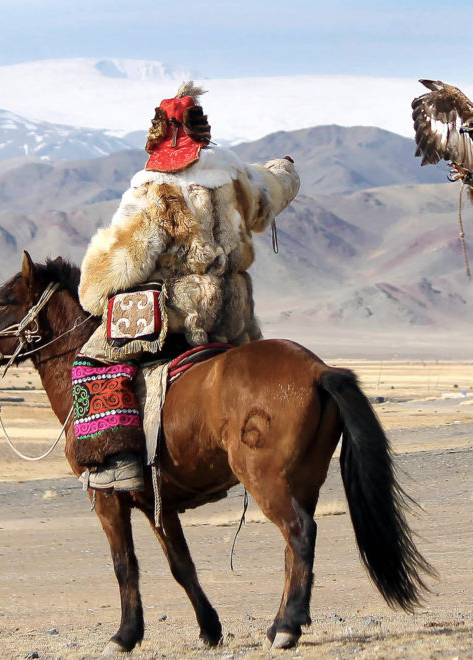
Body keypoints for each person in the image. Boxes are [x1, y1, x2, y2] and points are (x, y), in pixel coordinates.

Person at [72, 82, 300, 491]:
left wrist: (92, 290)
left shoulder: (154, 189)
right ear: (202, 131)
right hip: (234, 317)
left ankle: (119, 459)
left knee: (93, 357)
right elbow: (276, 187)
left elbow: (126, 259)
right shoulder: (238, 178)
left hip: (182, 311)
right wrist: (285, 169)